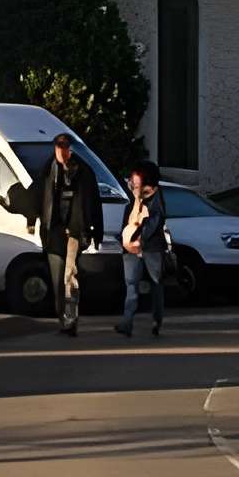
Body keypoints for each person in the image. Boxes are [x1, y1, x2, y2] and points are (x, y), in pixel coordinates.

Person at [36, 133, 105, 336]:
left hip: (74, 231)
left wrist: (96, 231)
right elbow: (38, 197)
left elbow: (93, 202)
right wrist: (32, 220)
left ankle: (71, 320)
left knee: (70, 276)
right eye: (59, 147)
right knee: (57, 280)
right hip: (53, 232)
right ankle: (63, 318)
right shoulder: (48, 170)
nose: (62, 151)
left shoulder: (82, 171)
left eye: (65, 147)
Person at [116, 164, 168, 338]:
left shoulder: (155, 197)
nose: (132, 180)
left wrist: (139, 239)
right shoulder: (132, 194)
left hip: (151, 247)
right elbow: (127, 218)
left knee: (155, 284)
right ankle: (127, 322)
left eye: (136, 176)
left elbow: (156, 220)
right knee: (131, 284)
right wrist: (125, 240)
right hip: (131, 247)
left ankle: (156, 321)